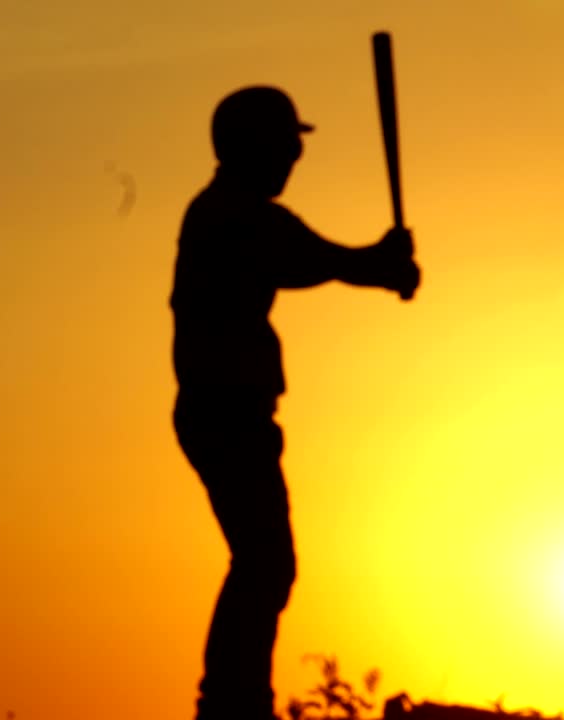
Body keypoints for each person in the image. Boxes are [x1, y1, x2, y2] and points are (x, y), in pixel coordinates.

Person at [170, 85, 420, 720]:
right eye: (286, 145)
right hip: (224, 414)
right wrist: (384, 264)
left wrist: (379, 263)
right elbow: (317, 259)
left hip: (234, 413)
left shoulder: (236, 211)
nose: (292, 158)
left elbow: (320, 257)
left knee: (264, 562)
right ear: (255, 146)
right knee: (265, 561)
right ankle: (231, 703)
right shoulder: (232, 215)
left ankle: (235, 699)